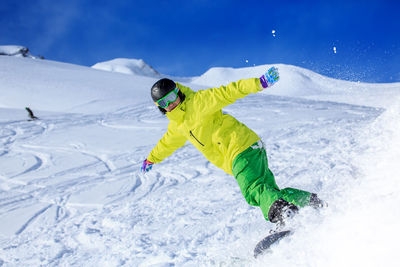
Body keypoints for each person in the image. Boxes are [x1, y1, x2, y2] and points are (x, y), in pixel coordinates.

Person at [141, 67, 326, 227]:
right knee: (269, 192)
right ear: (160, 107)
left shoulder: (199, 101)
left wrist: (259, 83)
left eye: (172, 97)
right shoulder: (176, 126)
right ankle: (312, 203)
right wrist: (152, 158)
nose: (170, 103)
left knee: (253, 190)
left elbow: (229, 91)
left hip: (239, 149)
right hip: (250, 149)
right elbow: (166, 144)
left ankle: (286, 214)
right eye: (163, 103)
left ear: (178, 90)